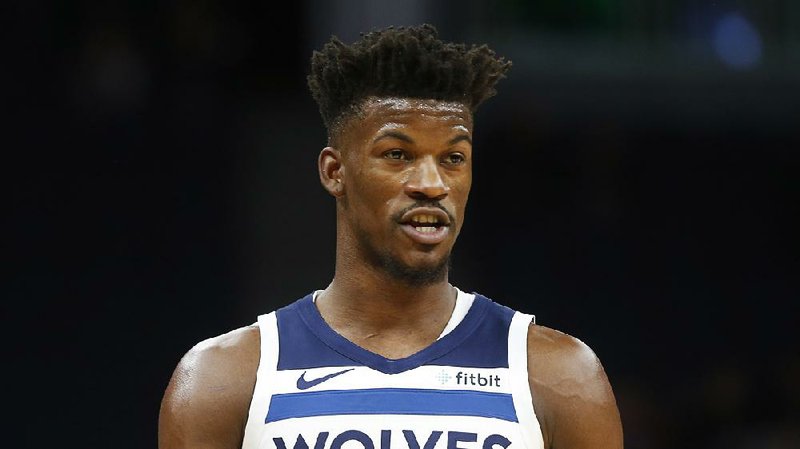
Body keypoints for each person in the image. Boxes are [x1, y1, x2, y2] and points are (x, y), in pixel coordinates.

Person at [158, 23, 624, 449]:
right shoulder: (224, 380)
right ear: (334, 171)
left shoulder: (557, 375)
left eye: (453, 158)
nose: (432, 183)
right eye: (398, 154)